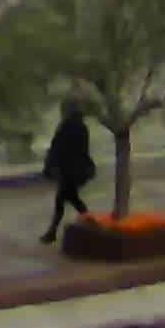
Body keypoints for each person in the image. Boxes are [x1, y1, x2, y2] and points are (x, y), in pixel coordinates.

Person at [40, 100, 98, 241]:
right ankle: (90, 223)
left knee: (64, 200)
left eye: (64, 109)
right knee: (71, 199)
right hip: (75, 170)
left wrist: (51, 164)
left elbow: (58, 148)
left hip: (69, 171)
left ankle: (53, 232)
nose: (62, 112)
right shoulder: (81, 127)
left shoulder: (67, 127)